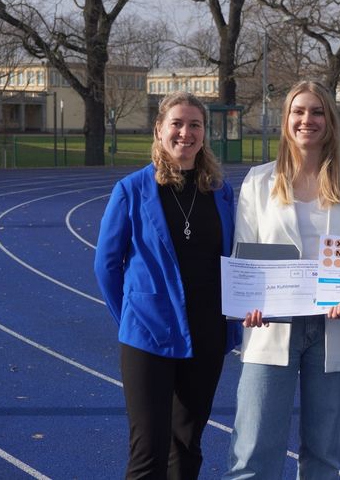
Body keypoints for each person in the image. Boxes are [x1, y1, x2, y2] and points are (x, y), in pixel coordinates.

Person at [223, 81, 340, 479]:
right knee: (253, 451)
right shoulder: (258, 183)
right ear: (286, 120)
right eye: (299, 111)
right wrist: (247, 304)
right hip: (271, 329)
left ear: (330, 121)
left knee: (323, 454)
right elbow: (246, 254)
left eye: (317, 112)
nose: (308, 120)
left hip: (334, 329)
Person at [94, 91, 242, 479]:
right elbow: (107, 265)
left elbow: (234, 257)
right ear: (159, 130)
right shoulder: (132, 190)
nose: (185, 132)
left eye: (195, 125)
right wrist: (131, 315)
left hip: (207, 334)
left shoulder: (220, 191)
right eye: (177, 123)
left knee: (187, 446)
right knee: (148, 452)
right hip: (149, 336)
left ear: (204, 133)